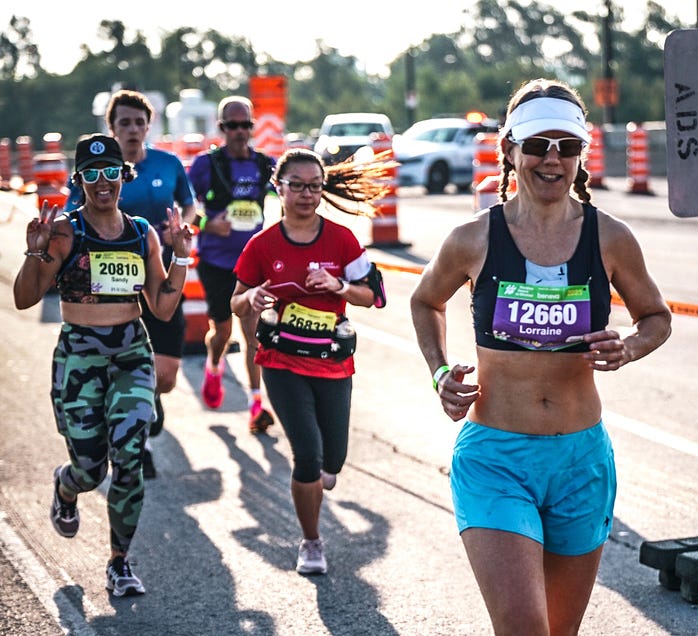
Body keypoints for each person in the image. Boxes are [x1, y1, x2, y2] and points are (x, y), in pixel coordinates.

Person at [409, 78, 672, 635]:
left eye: (568, 147)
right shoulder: (472, 239)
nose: (552, 159)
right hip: (496, 458)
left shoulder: (611, 237)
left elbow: (657, 317)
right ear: (510, 149)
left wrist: (628, 346)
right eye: (537, 145)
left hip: (581, 461)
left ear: (581, 155)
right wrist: (439, 374)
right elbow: (425, 300)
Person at [14, 134, 193, 596]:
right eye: (90, 175)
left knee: (129, 457)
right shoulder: (66, 233)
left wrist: (181, 257)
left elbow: (163, 307)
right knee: (92, 469)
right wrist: (35, 251)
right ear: (80, 181)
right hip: (80, 357)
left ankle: (119, 562)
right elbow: (23, 298)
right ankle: (68, 485)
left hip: (131, 353)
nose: (102, 183)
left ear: (123, 176)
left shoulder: (140, 233)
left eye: (110, 172)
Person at [230, 147, 390, 575]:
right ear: (278, 188)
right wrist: (252, 297)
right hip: (281, 360)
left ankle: (321, 478)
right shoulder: (262, 245)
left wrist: (338, 286)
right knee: (307, 455)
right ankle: (312, 542)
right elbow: (236, 302)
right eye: (296, 186)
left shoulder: (341, 239)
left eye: (314, 186)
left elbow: (373, 295)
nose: (306, 194)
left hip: (333, 361)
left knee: (331, 464)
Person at [65, 88, 197, 479]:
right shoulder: (96, 170)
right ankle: (139, 440)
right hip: (109, 286)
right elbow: (75, 214)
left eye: (140, 122)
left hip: (159, 272)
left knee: (167, 375)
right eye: (124, 122)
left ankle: (146, 403)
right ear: (112, 127)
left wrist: (182, 230)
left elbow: (189, 204)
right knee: (124, 368)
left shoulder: (168, 164)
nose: (133, 129)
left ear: (148, 126)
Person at [188, 96, 276, 433]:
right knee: (222, 331)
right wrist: (210, 225)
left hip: (252, 264)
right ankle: (214, 366)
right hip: (216, 262)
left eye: (245, 125)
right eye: (232, 125)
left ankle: (256, 405)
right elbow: (182, 208)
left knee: (253, 335)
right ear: (221, 128)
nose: (239, 131)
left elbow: (291, 197)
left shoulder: (264, 165)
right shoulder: (205, 166)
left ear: (252, 127)